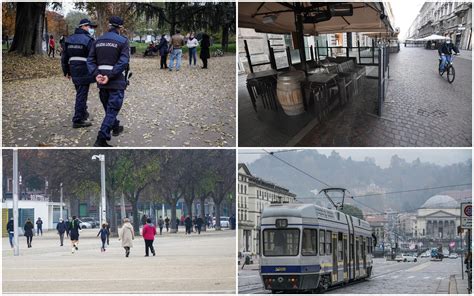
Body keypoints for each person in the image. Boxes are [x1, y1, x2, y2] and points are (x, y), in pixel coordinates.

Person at [87, 16, 130, 147]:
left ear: (109, 25)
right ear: (120, 28)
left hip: (101, 82)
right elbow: (123, 62)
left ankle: (115, 126)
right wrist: (110, 75)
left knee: (109, 109)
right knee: (112, 110)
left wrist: (97, 74)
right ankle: (101, 138)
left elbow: (90, 60)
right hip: (115, 81)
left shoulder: (98, 40)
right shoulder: (123, 41)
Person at [61, 18, 97, 129]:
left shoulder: (69, 39)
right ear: (84, 26)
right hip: (84, 70)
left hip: (73, 69)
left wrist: (66, 71)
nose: (90, 29)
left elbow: (64, 57)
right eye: (89, 27)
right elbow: (93, 57)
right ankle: (78, 119)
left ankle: (83, 113)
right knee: (81, 94)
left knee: (80, 92)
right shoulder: (88, 40)